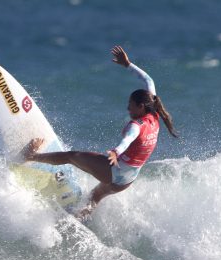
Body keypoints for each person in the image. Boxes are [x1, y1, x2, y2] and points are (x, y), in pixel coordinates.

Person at [23, 45, 178, 218]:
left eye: (131, 105)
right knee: (94, 197)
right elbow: (149, 81)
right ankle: (77, 220)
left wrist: (115, 152)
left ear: (141, 106)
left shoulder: (137, 125)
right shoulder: (154, 114)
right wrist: (128, 64)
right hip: (127, 180)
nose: (128, 107)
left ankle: (31, 156)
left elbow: (128, 139)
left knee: (70, 156)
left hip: (115, 172)